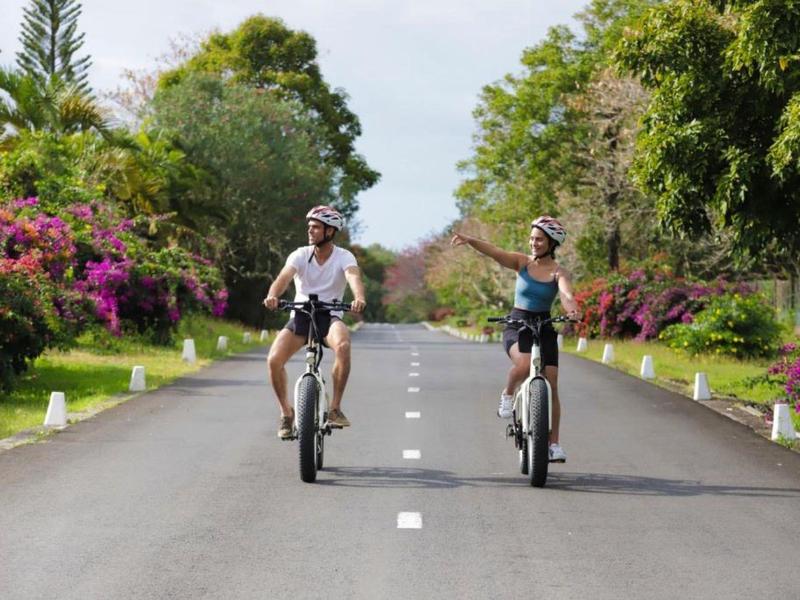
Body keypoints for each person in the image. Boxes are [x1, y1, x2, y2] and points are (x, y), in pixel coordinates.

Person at [451, 216, 580, 462]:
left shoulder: (559, 272)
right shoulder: (521, 263)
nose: (534, 243)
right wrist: (470, 241)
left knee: (551, 383)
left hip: (544, 324)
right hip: (517, 323)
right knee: (523, 364)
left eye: (539, 239)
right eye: (532, 238)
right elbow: (494, 252)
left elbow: (566, 293)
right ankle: (508, 394)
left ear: (552, 243)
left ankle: (554, 444)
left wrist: (572, 309)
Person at [263, 205, 366, 439]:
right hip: (301, 315)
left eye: (316, 228)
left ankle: (335, 409)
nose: (310, 231)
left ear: (330, 231)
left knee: (343, 345)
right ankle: (286, 414)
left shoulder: (344, 256)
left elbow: (353, 276)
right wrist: (273, 296)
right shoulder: (300, 254)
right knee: (273, 360)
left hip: (329, 315)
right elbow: (283, 277)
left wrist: (359, 298)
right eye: (309, 227)